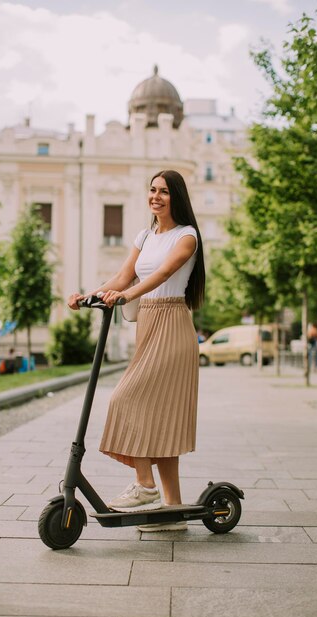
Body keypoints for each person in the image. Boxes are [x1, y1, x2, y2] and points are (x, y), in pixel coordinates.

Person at [68, 170, 205, 532]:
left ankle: (146, 487)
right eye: (152, 190)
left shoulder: (186, 237)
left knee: (124, 400)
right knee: (162, 422)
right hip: (148, 325)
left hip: (173, 325)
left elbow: (160, 275)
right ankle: (172, 512)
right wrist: (89, 295)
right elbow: (122, 275)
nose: (156, 196)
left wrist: (128, 295)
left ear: (177, 197)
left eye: (164, 191)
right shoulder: (145, 235)